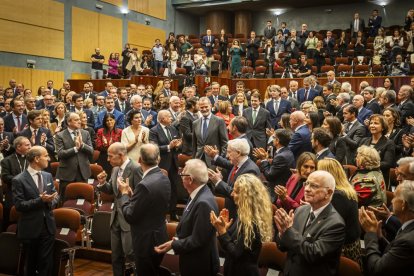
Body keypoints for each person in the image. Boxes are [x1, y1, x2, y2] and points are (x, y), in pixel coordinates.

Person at [154, 159, 219, 276]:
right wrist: (176, 240)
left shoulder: (203, 203)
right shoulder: (196, 194)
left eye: (182, 174)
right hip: (192, 259)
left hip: (199, 265)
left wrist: (173, 245)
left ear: (190, 179)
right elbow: (189, 228)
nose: (180, 177)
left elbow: (197, 240)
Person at [274, 170, 345, 276]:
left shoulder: (336, 224)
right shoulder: (301, 210)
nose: (306, 189)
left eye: (314, 186)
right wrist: (282, 233)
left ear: (328, 193)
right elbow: (283, 247)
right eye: (306, 184)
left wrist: (288, 231)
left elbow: (313, 254)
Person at [120, 143, 171, 276]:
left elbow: (130, 215)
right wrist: (134, 197)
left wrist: (125, 194)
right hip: (160, 235)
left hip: (146, 242)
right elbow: (150, 204)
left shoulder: (144, 185)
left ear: (139, 160)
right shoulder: (164, 177)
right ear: (158, 159)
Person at [210, 174, 273, 276]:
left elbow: (236, 253)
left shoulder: (252, 222)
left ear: (246, 196)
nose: (232, 194)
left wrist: (222, 232)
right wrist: (224, 229)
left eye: (236, 192)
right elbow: (231, 245)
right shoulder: (243, 215)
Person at [96, 143, 142, 276]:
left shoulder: (136, 168)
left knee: (130, 255)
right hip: (115, 217)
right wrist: (103, 183)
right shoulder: (115, 169)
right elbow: (112, 190)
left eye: (110, 156)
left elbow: (140, 196)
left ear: (120, 155)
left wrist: (128, 193)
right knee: (116, 256)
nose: (107, 159)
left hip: (128, 219)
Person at [12, 146, 59, 276]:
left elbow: (56, 196)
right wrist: (40, 200)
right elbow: (19, 205)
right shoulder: (18, 179)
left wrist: (51, 200)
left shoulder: (48, 175)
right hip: (30, 228)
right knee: (30, 264)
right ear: (36, 159)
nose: (49, 159)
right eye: (46, 156)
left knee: (46, 263)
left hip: (48, 226)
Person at [359, 180, 414, 275]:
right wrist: (379, 237)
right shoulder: (408, 226)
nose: (392, 200)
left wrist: (370, 233)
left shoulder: (407, 242)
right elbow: (394, 253)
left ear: (403, 205)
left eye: (395, 197)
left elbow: (376, 269)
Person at [317, 158, 361, 264]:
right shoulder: (345, 190)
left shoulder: (337, 196)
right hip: (348, 243)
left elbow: (328, 226)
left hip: (342, 250)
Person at [206, 139, 260, 220]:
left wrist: (219, 182)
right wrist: (220, 179)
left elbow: (239, 196)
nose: (227, 156)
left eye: (229, 152)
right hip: (230, 207)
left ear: (238, 153)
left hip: (239, 214)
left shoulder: (250, 170)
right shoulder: (238, 164)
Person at [149, 110, 182, 221]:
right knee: (162, 190)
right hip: (162, 164)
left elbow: (177, 145)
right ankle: (162, 214)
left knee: (174, 189)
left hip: (173, 164)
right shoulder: (153, 131)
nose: (171, 118)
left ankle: (172, 212)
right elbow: (154, 148)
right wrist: (168, 146)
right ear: (162, 119)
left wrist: (177, 145)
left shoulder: (172, 128)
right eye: (169, 116)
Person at [54, 112, 94, 198]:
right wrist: (75, 149)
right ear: (69, 122)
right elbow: (60, 154)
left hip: (83, 172)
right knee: (66, 199)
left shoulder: (85, 133)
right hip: (67, 174)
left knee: (82, 199)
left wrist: (82, 145)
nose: (79, 121)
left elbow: (91, 151)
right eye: (76, 120)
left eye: (79, 119)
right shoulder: (60, 135)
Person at [254, 129, 295, 203]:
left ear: (277, 140)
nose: (272, 140)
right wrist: (267, 159)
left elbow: (269, 176)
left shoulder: (281, 157)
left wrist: (263, 160)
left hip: (275, 192)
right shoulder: (286, 151)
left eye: (273, 137)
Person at [360, 114, 396, 188]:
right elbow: (355, 158)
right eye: (371, 123)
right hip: (362, 176)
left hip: (379, 180)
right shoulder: (364, 140)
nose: (372, 125)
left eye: (376, 123)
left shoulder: (389, 143)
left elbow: (387, 163)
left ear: (383, 127)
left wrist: (368, 165)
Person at [192, 97, 228, 168]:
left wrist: (220, 160)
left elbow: (225, 143)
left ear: (210, 106)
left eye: (206, 107)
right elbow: (194, 145)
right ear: (199, 108)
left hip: (214, 161)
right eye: (202, 107)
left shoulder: (219, 121)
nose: (204, 109)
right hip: (199, 160)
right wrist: (194, 160)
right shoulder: (195, 123)